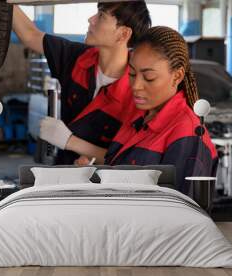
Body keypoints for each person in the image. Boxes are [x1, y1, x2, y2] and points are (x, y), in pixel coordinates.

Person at [40, 26, 218, 195]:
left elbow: (182, 213)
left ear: (177, 76)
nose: (136, 86)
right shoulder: (138, 116)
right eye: (132, 75)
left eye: (149, 78)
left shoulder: (188, 135)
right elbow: (124, 170)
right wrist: (95, 175)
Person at [13, 1, 151, 164]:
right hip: (62, 173)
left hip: (107, 185)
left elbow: (129, 159)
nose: (90, 19)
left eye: (101, 16)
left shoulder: (138, 91)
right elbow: (31, 35)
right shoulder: (77, 58)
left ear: (123, 34)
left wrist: (70, 141)